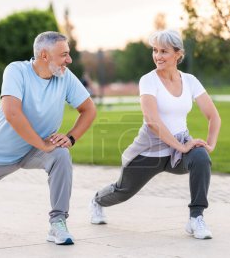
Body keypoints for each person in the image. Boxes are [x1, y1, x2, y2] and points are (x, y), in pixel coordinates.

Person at [0, 31, 97, 245]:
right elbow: (12, 113)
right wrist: (42, 143)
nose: (69, 60)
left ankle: (58, 222)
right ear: (44, 55)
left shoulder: (65, 76)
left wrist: (70, 138)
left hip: (37, 151)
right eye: (64, 55)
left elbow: (88, 109)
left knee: (61, 155)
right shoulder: (16, 71)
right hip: (2, 151)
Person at [89, 29, 221, 239]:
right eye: (155, 50)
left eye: (164, 51)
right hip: (149, 152)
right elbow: (152, 121)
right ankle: (97, 200)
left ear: (178, 54)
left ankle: (196, 218)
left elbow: (214, 116)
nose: (158, 56)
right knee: (123, 191)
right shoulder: (148, 80)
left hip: (177, 153)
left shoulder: (190, 81)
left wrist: (210, 145)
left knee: (201, 157)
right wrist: (182, 146)